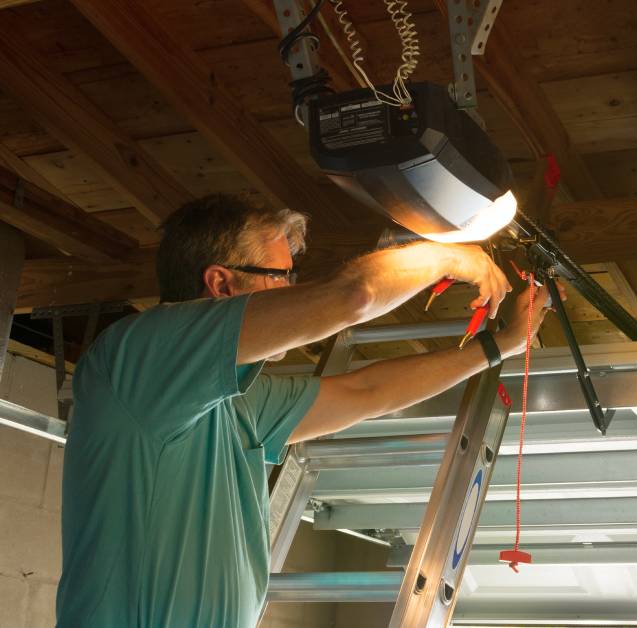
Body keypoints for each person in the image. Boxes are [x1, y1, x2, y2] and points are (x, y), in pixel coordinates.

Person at [55, 194, 554, 627]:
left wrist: (499, 346)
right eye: (281, 276)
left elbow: (366, 391)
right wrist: (447, 257)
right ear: (221, 285)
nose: (292, 292)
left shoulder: (236, 401)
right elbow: (352, 296)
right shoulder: (140, 358)